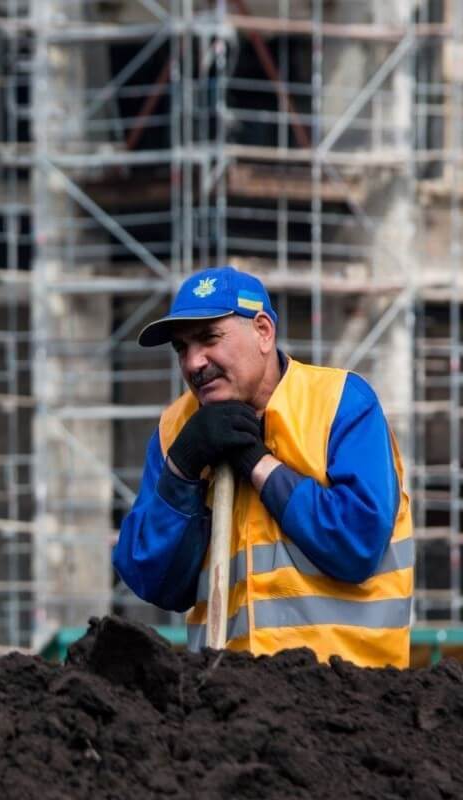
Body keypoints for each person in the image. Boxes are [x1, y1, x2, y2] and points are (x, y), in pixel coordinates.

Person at [113, 266, 412, 668]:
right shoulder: (175, 431)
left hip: (350, 698)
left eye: (208, 338)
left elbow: (356, 544)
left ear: (263, 332)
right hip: (229, 703)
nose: (194, 362)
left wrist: (258, 464)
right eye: (181, 348)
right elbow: (152, 580)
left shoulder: (341, 403)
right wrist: (182, 471)